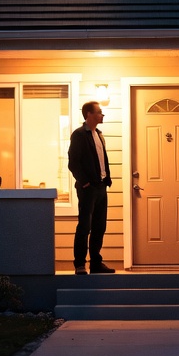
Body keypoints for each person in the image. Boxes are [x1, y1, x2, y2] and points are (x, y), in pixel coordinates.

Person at [68, 101, 115, 275]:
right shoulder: (80, 135)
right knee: (84, 226)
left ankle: (96, 263)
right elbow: (73, 162)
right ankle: (80, 264)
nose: (102, 115)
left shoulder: (99, 134)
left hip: (101, 187)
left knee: (99, 226)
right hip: (88, 189)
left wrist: (106, 179)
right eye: (99, 112)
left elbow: (102, 160)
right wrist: (85, 182)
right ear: (89, 114)